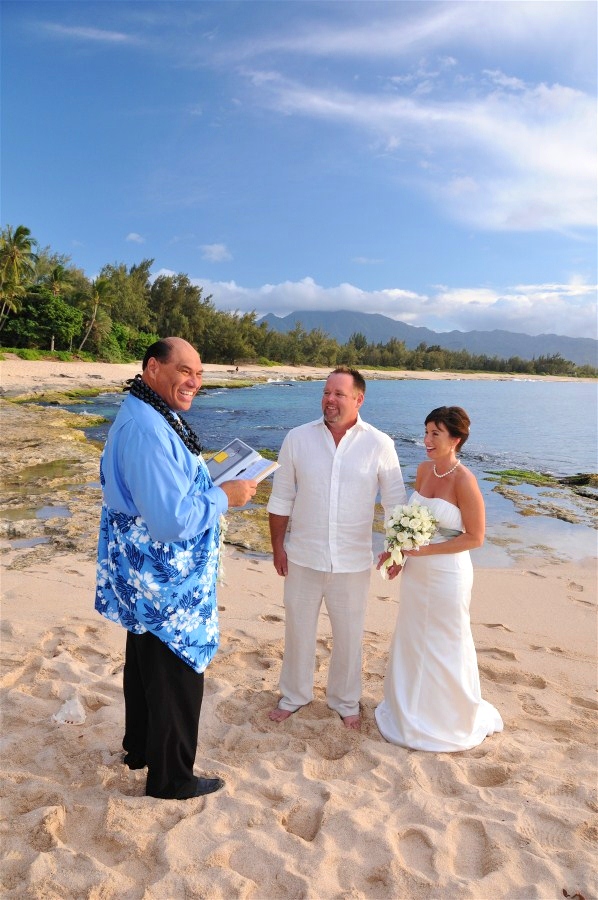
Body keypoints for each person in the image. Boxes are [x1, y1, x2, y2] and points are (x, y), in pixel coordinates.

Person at [95, 337, 257, 799]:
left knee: (146, 659)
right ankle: (172, 778)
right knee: (177, 669)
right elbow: (170, 522)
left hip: (145, 577)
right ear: (152, 368)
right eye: (185, 370)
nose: (194, 381)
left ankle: (141, 749)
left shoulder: (147, 412)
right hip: (165, 581)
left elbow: (163, 491)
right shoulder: (146, 429)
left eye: (200, 374)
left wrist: (205, 478)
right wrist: (225, 496)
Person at [267, 365, 406, 731]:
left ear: (358, 399)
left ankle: (345, 701)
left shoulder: (380, 444)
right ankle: (294, 695)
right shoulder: (297, 438)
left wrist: (397, 551)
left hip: (352, 561)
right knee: (298, 629)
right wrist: (277, 547)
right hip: (302, 556)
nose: (329, 399)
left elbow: (395, 505)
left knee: (349, 635)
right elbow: (281, 497)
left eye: (338, 394)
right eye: (326, 392)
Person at [375, 406, 503, 751]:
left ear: (455, 440)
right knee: (414, 636)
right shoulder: (422, 469)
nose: (427, 440)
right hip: (417, 573)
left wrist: (426, 552)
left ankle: (448, 717)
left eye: (436, 434)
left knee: (446, 639)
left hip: (448, 574)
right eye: (426, 431)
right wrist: (397, 553)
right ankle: (411, 709)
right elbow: (412, 524)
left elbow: (475, 537)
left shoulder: (465, 480)